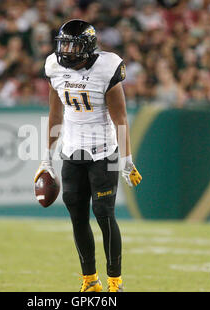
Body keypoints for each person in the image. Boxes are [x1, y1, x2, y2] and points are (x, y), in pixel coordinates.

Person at [34, 20, 142, 292]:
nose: (67, 51)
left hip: (103, 152)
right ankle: (89, 281)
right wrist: (46, 158)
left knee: (104, 214)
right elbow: (55, 115)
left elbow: (120, 117)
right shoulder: (54, 67)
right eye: (64, 44)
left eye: (73, 45)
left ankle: (115, 282)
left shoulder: (107, 67)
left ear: (88, 47)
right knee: (78, 217)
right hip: (71, 153)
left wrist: (127, 160)